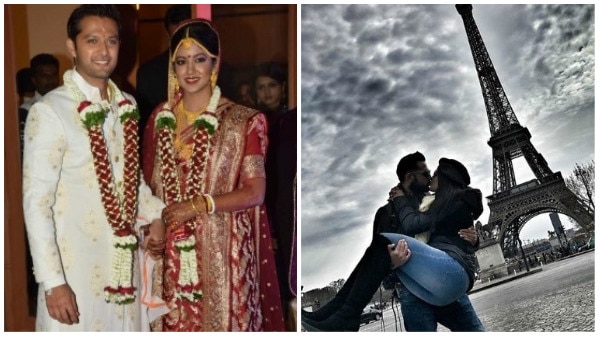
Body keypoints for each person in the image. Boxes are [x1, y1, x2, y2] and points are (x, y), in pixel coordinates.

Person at [22, 5, 167, 331]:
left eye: (112, 41)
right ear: (72, 46)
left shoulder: (127, 105)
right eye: (92, 40)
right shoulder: (51, 111)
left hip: (124, 268)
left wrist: (155, 215)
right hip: (76, 274)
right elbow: (37, 202)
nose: (103, 51)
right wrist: (53, 281)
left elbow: (132, 180)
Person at [141, 18, 285, 331]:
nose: (190, 70)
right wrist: (153, 226)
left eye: (200, 59)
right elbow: (149, 187)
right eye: (182, 61)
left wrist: (197, 205)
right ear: (172, 67)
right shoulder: (159, 119)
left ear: (215, 63)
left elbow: (255, 192)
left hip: (225, 254)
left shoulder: (242, 122)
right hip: (170, 257)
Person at [302, 153, 484, 331]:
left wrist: (474, 240)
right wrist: (390, 265)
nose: (430, 178)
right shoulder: (387, 213)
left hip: (443, 279)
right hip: (412, 291)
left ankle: (344, 316)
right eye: (426, 174)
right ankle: (334, 313)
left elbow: (453, 232)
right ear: (410, 177)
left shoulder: (440, 201)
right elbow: (375, 260)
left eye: (432, 174)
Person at [135, 4, 191, 138]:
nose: (182, 45)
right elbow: (145, 127)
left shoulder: (215, 70)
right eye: (176, 38)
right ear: (168, 35)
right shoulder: (148, 74)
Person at [18, 54, 60, 158]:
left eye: (54, 75)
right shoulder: (25, 111)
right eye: (44, 76)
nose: (50, 80)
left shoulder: (69, 105)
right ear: (34, 79)